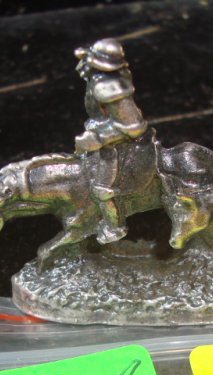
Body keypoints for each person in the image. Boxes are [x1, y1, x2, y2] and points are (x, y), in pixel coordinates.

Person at [74, 39, 148, 243]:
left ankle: (115, 227)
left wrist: (99, 138)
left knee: (101, 190)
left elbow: (135, 127)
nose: (82, 65)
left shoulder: (109, 87)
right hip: (99, 131)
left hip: (115, 146)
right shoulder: (98, 79)